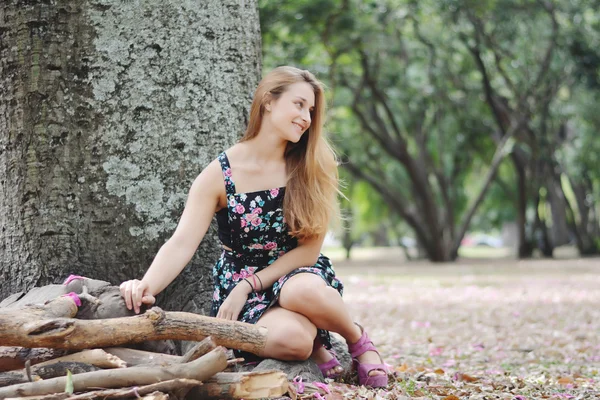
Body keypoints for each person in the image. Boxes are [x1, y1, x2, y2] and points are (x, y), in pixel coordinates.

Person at [119, 66, 388, 388]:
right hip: (238, 282)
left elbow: (310, 250)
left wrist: (250, 284)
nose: (306, 117)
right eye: (299, 104)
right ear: (268, 101)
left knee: (300, 291)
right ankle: (314, 343)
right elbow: (182, 242)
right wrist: (146, 286)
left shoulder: (313, 163)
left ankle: (359, 341)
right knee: (294, 342)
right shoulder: (219, 174)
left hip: (298, 273)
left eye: (312, 111)